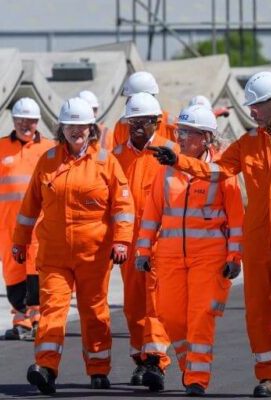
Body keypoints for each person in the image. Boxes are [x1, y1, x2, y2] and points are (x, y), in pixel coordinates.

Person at [149, 71, 271, 397]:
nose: (250, 111)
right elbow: (217, 170)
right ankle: (268, 374)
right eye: (250, 105)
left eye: (256, 105)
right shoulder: (249, 142)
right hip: (257, 237)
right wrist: (181, 162)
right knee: (258, 308)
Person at [12, 97, 134, 394]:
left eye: (82, 126)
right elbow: (30, 206)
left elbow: (123, 206)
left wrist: (121, 240)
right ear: (62, 128)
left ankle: (98, 368)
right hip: (54, 253)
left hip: (94, 253)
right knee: (53, 309)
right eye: (71, 126)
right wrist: (20, 241)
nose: (76, 131)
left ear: (90, 128)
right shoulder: (49, 160)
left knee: (94, 311)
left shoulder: (106, 161)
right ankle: (46, 366)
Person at [135, 105, 245, 396]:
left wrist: (235, 257)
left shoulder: (223, 172)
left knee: (200, 318)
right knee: (169, 316)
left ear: (206, 138)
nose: (181, 138)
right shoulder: (168, 171)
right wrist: (143, 250)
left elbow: (236, 219)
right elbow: (151, 213)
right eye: (179, 132)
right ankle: (189, 365)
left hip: (209, 258)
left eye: (188, 133)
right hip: (169, 258)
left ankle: (196, 378)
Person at [110, 92, 180, 385]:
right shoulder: (115, 157)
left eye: (144, 121)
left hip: (162, 244)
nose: (137, 127)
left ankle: (155, 361)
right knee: (134, 306)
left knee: (156, 303)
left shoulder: (171, 153)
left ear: (157, 122)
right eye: (132, 121)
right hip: (129, 246)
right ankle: (141, 360)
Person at [0, 97, 56, 340]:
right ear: (14, 121)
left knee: (37, 269)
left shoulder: (49, 148)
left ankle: (38, 317)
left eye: (30, 121)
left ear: (37, 122)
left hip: (39, 224)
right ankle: (21, 318)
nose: (25, 125)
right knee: (13, 271)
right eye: (21, 120)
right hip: (8, 224)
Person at [108, 71, 178, 151]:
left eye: (131, 99)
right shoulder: (121, 126)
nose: (127, 102)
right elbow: (117, 158)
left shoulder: (173, 126)